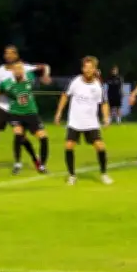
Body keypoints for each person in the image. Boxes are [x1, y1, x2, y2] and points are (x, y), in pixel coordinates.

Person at [0, 45, 50, 171]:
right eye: (6, 53)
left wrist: (45, 76)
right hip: (3, 107)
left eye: (12, 53)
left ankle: (35, 160)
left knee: (22, 137)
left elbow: (44, 67)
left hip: (19, 109)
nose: (9, 55)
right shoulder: (0, 71)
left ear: (16, 55)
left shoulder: (25, 68)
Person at [54, 56, 112, 185]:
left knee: (100, 147)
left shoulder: (98, 86)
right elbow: (65, 96)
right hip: (75, 121)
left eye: (91, 68)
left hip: (91, 122)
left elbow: (104, 103)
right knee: (69, 146)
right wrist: (59, 112)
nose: (88, 70)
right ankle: (72, 175)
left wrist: (106, 117)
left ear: (95, 69)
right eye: (86, 67)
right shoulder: (75, 82)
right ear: (82, 68)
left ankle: (104, 174)